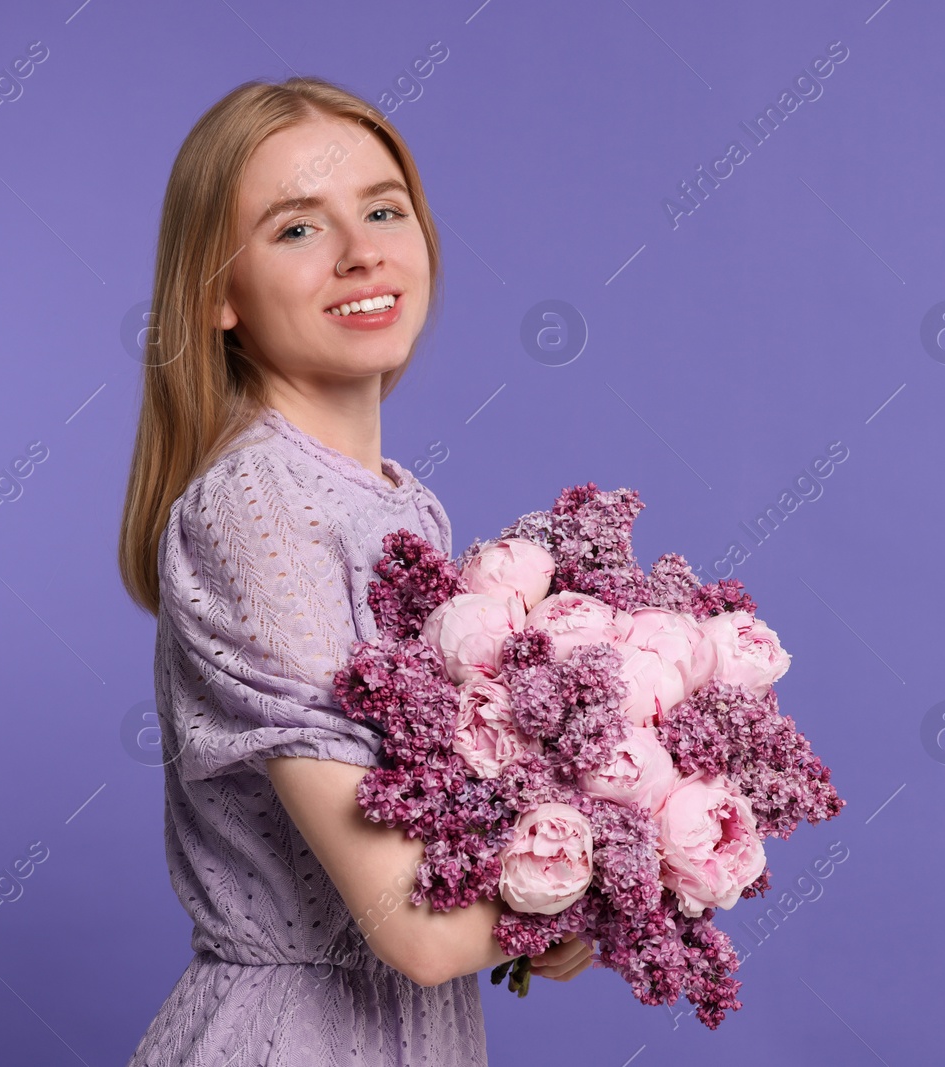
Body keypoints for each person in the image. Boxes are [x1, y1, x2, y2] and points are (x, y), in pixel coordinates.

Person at [115, 76, 589, 1066]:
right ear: (217, 294)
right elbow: (414, 926)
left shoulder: (397, 501)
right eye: (296, 229)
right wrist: (632, 868)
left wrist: (564, 871)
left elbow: (451, 874)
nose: (363, 249)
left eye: (382, 208)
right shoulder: (257, 505)